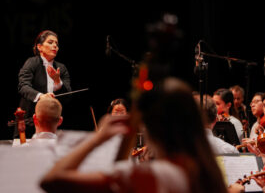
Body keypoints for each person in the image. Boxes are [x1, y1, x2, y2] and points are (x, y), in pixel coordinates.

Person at [40, 77, 228, 193]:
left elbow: (51, 181)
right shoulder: (207, 173)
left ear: (150, 128)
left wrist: (98, 138)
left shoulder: (148, 174)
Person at [17, 30, 71, 138]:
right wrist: (41, 96)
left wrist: (57, 82)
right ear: (40, 47)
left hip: (54, 125)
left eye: (56, 44)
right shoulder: (32, 62)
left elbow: (68, 96)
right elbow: (23, 86)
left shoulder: (62, 68)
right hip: (30, 123)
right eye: (50, 42)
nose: (55, 46)